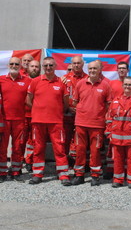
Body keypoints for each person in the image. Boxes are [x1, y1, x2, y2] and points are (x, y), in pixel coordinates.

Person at [27, 57, 71, 185]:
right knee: (38, 148)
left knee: (59, 149)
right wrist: (38, 110)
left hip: (56, 122)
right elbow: (29, 100)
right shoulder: (35, 81)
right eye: (45, 65)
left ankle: (63, 175)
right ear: (42, 66)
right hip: (38, 121)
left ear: (55, 66)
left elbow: (66, 103)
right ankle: (37, 174)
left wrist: (56, 111)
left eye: (50, 65)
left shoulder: (61, 82)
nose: (48, 68)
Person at [71, 60, 112, 186]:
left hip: (97, 124)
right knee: (80, 150)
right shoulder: (80, 84)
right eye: (90, 69)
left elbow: (108, 105)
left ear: (100, 70)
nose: (92, 71)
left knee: (95, 151)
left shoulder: (106, 85)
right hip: (81, 123)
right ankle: (79, 175)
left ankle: (95, 176)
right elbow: (74, 102)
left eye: (95, 68)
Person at [0, 57, 31, 182]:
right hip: (4, 120)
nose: (14, 65)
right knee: (2, 147)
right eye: (12, 63)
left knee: (18, 147)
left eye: (16, 64)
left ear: (20, 66)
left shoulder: (27, 81)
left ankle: (16, 171)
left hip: (20, 120)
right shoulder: (1, 79)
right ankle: (2, 172)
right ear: (8, 65)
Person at [61, 56, 88, 163]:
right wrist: (68, 108)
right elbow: (60, 96)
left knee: (81, 141)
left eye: (78, 63)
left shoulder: (88, 78)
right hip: (67, 114)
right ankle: (64, 163)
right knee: (65, 140)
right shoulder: (63, 78)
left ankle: (80, 163)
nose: (76, 65)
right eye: (74, 63)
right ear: (71, 65)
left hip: (82, 115)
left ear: (82, 64)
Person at [23, 60, 41, 172]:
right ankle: (18, 162)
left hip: (36, 116)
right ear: (27, 67)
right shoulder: (23, 80)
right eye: (32, 66)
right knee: (20, 141)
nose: (34, 68)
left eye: (36, 67)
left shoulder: (42, 80)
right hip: (23, 115)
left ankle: (30, 161)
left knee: (34, 140)